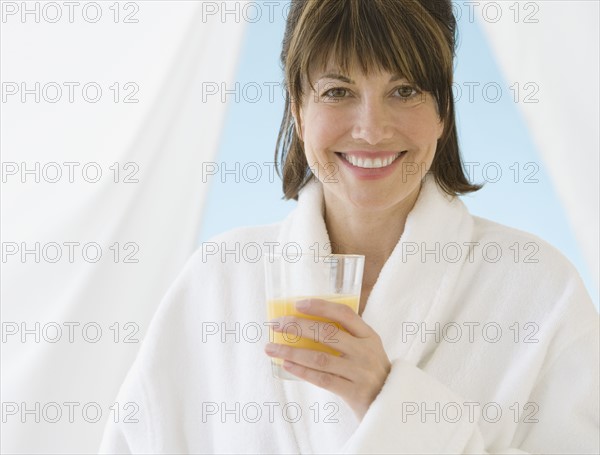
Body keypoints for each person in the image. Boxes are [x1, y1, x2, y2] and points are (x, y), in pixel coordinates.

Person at [99, 0, 599, 453]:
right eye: (338, 91)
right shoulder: (220, 279)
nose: (371, 128)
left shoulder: (540, 290)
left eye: (404, 90)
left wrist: (391, 404)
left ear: (444, 110)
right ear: (297, 109)